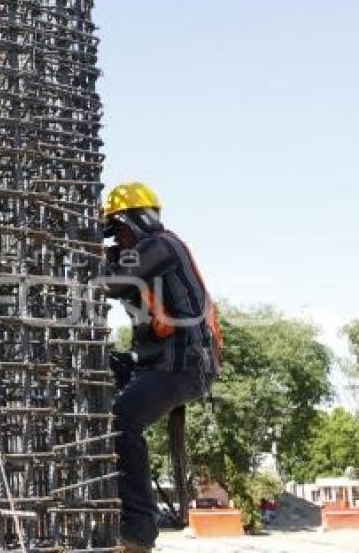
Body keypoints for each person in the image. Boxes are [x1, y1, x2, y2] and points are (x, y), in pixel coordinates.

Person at [101, 182, 222, 553]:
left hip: (182, 364)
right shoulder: (144, 251)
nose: (118, 240)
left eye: (118, 231)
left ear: (135, 221)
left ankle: (139, 530)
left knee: (123, 419)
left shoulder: (161, 246)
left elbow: (114, 281)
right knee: (98, 373)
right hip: (156, 362)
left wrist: (80, 250)